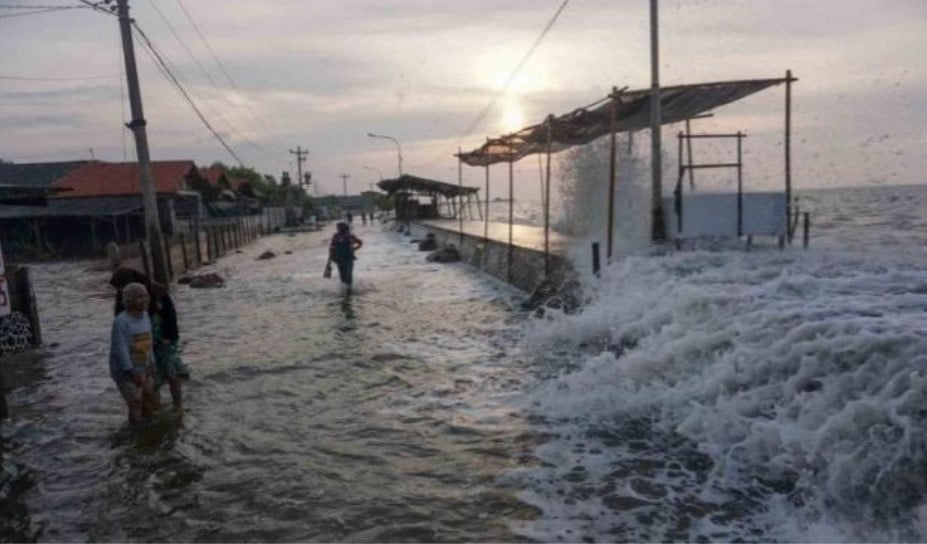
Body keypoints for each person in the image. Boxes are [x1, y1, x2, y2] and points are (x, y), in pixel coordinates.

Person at [110, 267, 187, 412]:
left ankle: (178, 406)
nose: (119, 290)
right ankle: (155, 410)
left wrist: (168, 337)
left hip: (163, 339)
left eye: (121, 286)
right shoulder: (124, 298)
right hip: (142, 345)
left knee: (172, 374)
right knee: (152, 380)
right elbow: (120, 330)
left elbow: (170, 316)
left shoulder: (156, 291)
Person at [109, 282, 155, 426]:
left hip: (144, 365)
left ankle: (149, 426)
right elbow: (120, 348)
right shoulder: (121, 321)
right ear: (129, 300)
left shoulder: (146, 316)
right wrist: (131, 371)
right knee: (135, 401)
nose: (144, 300)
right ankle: (136, 431)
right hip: (125, 370)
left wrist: (152, 362)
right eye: (139, 297)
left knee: (148, 395)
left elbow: (149, 340)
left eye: (145, 296)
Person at [329, 221, 363, 289]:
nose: (337, 229)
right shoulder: (336, 235)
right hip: (339, 258)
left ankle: (349, 289)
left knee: (348, 275)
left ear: (344, 227)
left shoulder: (350, 235)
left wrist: (354, 249)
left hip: (348, 258)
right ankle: (344, 290)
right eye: (337, 227)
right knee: (342, 276)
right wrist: (331, 255)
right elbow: (332, 245)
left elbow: (360, 242)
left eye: (339, 227)